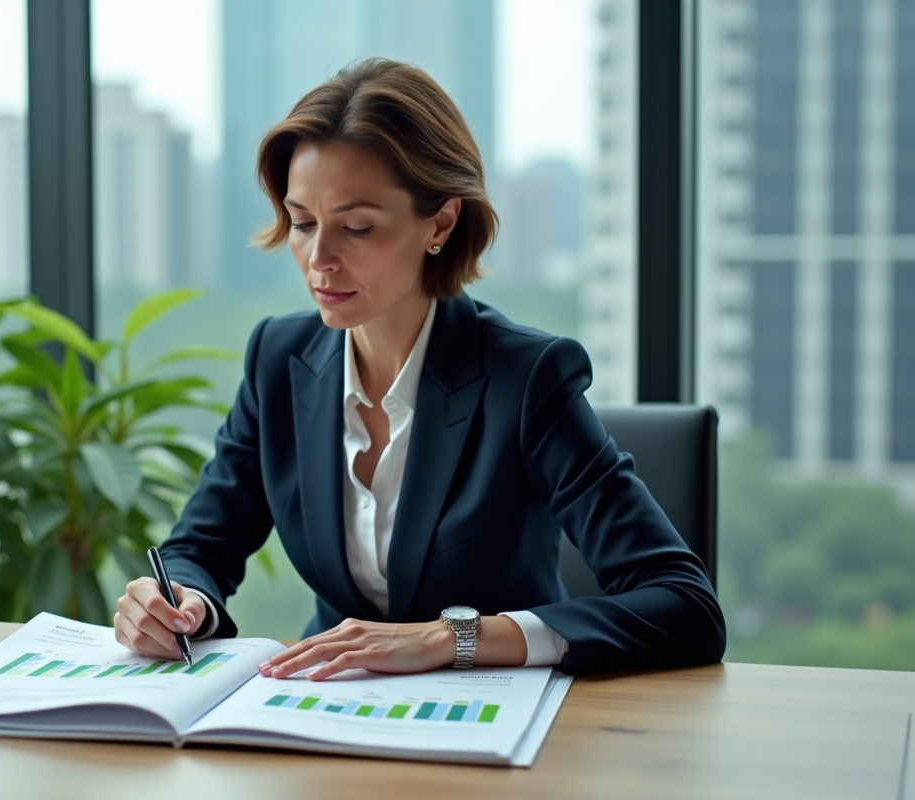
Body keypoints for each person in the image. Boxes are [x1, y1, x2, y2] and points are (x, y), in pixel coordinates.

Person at [113, 58, 725, 678]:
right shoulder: (280, 359)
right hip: (323, 706)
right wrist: (180, 601)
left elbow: (684, 605)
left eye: (356, 227)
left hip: (494, 718)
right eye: (301, 223)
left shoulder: (528, 377)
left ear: (440, 221)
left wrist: (449, 638)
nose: (318, 258)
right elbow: (201, 547)